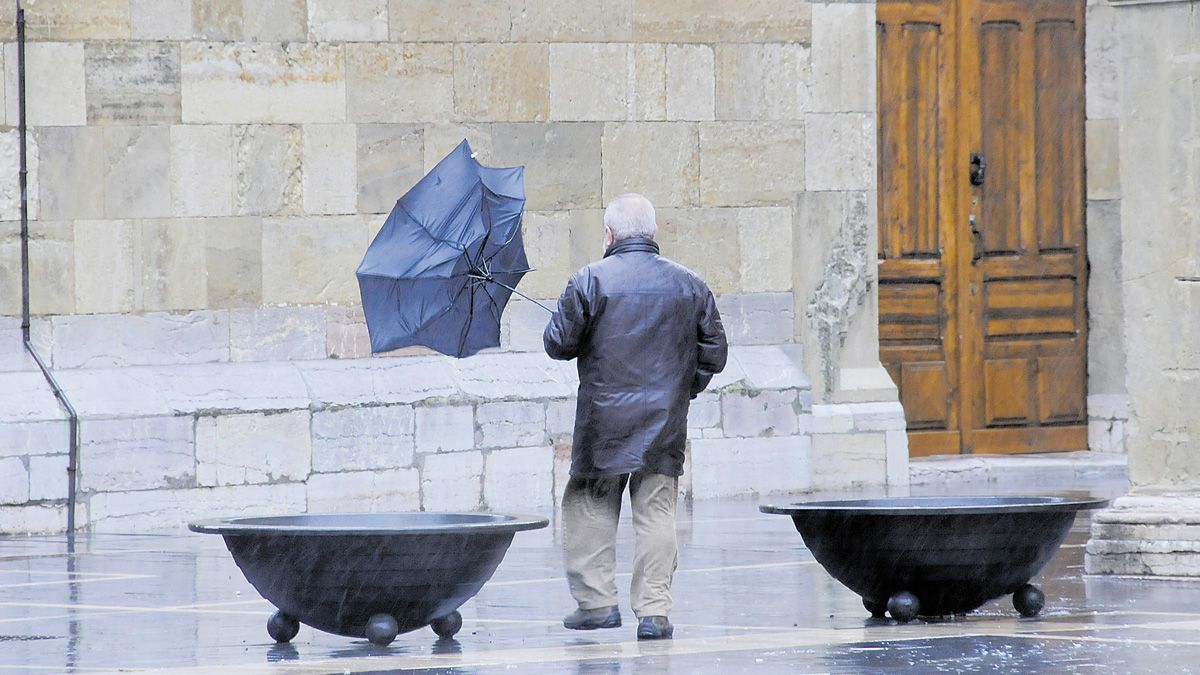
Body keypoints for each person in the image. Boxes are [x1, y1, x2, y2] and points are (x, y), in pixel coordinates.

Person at [543, 193, 729, 641]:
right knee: (657, 509)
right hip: (665, 420)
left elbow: (557, 345)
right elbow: (716, 354)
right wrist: (685, 388)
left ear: (608, 235)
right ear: (653, 233)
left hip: (603, 422)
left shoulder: (590, 280)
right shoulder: (690, 284)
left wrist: (566, 318)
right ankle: (654, 612)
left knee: (590, 504)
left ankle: (596, 603)